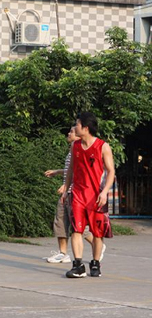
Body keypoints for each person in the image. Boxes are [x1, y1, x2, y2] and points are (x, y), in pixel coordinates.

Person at [62, 112, 115, 278]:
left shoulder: (103, 146)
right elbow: (70, 170)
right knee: (76, 230)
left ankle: (95, 263)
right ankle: (78, 265)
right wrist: (66, 189)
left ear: (85, 128)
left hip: (96, 196)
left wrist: (105, 192)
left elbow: (111, 171)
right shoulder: (75, 146)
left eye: (77, 124)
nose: (74, 127)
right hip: (78, 194)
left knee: (97, 233)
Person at [43, 126, 105, 264]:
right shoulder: (72, 150)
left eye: (72, 131)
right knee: (61, 222)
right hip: (67, 192)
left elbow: (80, 173)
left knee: (77, 226)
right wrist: (57, 172)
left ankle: (97, 245)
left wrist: (67, 186)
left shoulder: (81, 150)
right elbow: (69, 169)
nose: (69, 133)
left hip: (74, 193)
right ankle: (63, 253)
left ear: (79, 136)